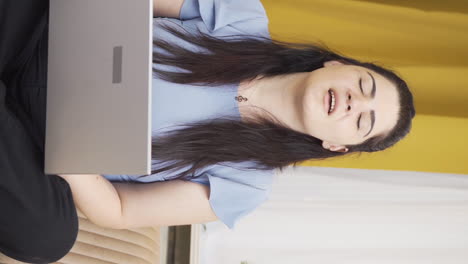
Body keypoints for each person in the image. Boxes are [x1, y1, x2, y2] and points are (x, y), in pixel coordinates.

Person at [0, 0, 415, 262]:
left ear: (336, 145)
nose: (352, 103)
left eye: (363, 121)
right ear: (338, 66)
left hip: (39, 148)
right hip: (39, 43)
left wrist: (74, 157)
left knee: (48, 238)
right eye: (364, 87)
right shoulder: (243, 16)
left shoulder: (246, 186)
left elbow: (120, 210)